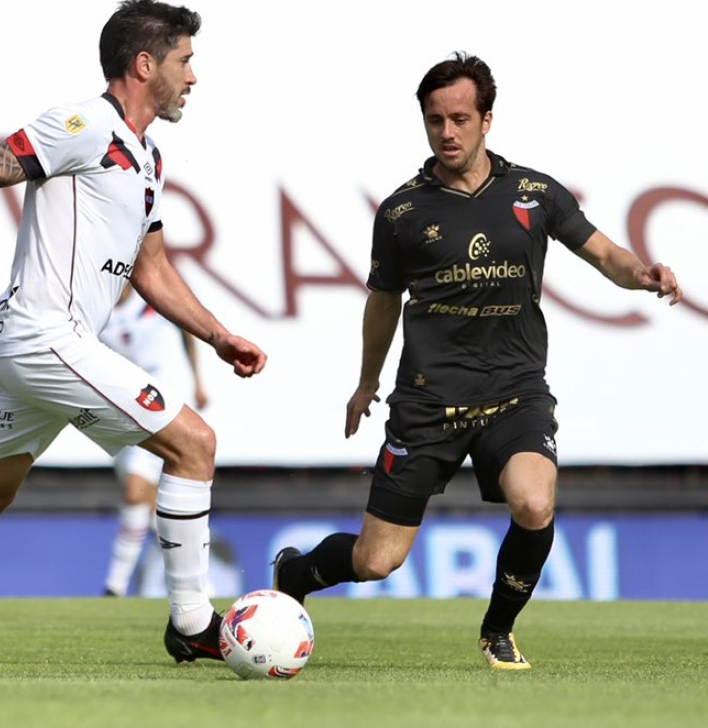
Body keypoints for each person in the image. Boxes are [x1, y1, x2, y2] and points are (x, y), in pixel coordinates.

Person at [0, 0, 266, 677]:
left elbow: (152, 270)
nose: (193, 76)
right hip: (44, 337)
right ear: (145, 63)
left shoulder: (147, 158)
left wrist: (218, 336)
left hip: (32, 347)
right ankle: (192, 624)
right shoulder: (85, 125)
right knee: (194, 445)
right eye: (184, 60)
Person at [272, 52, 681, 671]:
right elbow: (383, 302)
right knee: (376, 561)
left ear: (487, 119)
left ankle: (498, 629)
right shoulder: (402, 212)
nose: (447, 132)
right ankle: (296, 573)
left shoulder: (535, 193)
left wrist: (642, 273)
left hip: (516, 394)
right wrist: (365, 382)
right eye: (434, 120)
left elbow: (604, 254)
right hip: (427, 401)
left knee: (535, 503)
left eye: (460, 118)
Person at [99, 282, 210, 598]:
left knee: (135, 493)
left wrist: (198, 380)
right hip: (121, 407)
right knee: (148, 507)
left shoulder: (152, 300)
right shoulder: (97, 311)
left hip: (159, 404)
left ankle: (115, 586)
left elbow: (187, 328)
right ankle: (198, 578)